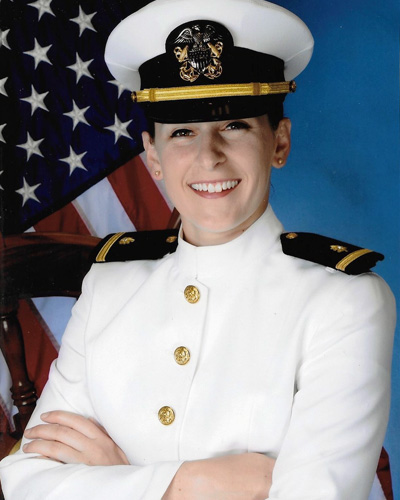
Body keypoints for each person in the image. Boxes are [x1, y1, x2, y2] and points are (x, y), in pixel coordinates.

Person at [0, 0, 396, 498]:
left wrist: (114, 478)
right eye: (182, 132)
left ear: (280, 142)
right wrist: (186, 483)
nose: (208, 156)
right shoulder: (109, 285)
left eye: (235, 126)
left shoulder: (345, 301)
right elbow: (23, 481)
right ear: (153, 156)